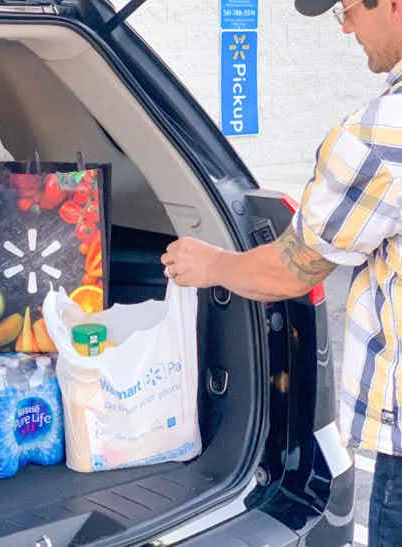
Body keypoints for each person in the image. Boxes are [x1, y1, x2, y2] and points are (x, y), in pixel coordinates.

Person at [160, 0, 402, 545]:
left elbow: (292, 271)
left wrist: (210, 264)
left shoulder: (380, 135)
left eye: (347, 9)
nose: (344, 27)